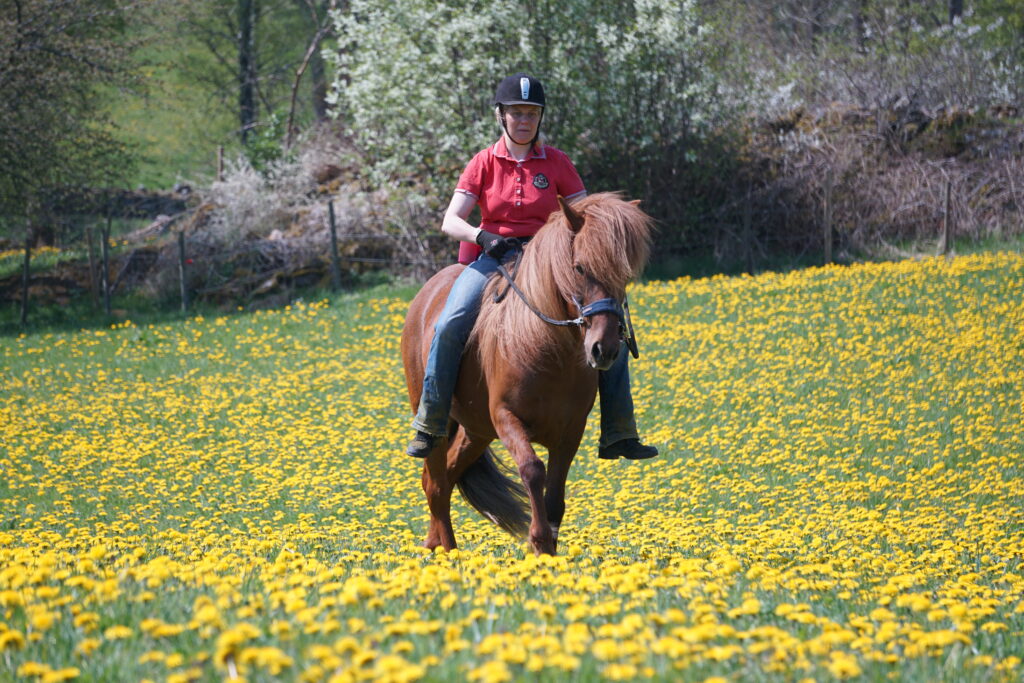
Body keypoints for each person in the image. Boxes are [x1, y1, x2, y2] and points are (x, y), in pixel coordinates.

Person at [407, 73, 657, 462]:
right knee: (450, 321)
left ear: (540, 118)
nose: (524, 120)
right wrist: (481, 236)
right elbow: (450, 221)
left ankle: (619, 431)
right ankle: (431, 420)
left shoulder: (557, 162)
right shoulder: (483, 162)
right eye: (517, 113)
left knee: (610, 325)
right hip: (493, 258)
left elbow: (584, 216)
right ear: (501, 116)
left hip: (548, 265)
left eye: (532, 113)